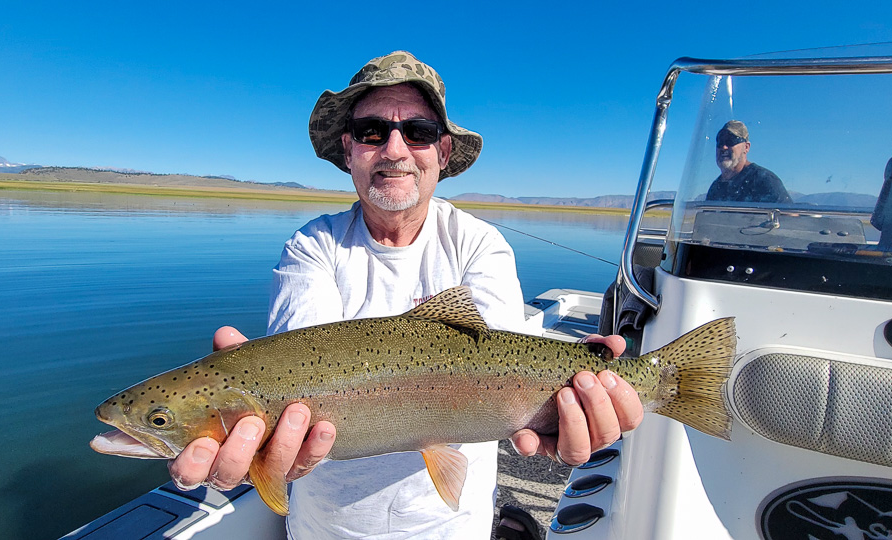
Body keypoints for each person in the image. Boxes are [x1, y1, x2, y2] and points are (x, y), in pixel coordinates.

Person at [167, 51, 643, 538]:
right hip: (325, 528)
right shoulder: (312, 246)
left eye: (418, 132)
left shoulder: (477, 242)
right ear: (349, 149)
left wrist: (572, 405)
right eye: (373, 131)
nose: (395, 149)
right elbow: (300, 370)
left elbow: (503, 359)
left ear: (442, 152)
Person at [706, 120, 792, 203]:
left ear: (746, 147)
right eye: (720, 142)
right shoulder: (716, 188)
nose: (724, 147)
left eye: (730, 141)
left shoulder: (764, 181)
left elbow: (791, 216)